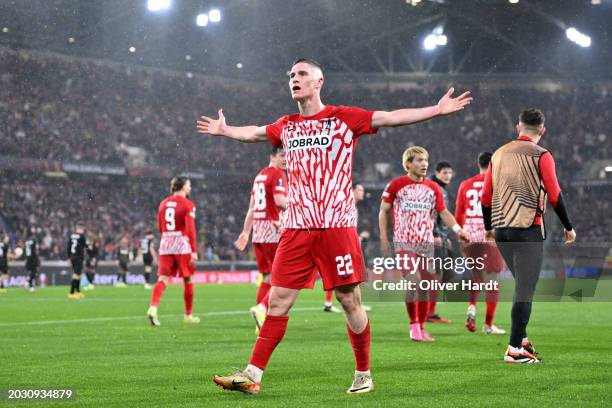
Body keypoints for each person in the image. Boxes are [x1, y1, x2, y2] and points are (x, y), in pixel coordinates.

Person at [197, 58, 472, 395]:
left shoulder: (343, 118)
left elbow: (389, 117)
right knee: (278, 300)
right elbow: (254, 132)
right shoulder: (287, 125)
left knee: (349, 301)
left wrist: (436, 110)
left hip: (335, 227)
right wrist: (225, 130)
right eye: (291, 76)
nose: (294, 80)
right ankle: (253, 374)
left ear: (319, 81)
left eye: (301, 74)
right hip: (296, 229)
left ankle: (363, 373)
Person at [481, 109, 575, 364]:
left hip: (501, 230)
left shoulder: (498, 154)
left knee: (523, 285)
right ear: (542, 130)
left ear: (517, 127)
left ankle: (521, 339)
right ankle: (514, 350)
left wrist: (489, 226)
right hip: (527, 230)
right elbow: (555, 194)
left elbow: (485, 197)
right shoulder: (541, 155)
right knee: (525, 290)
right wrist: (568, 225)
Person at [379, 147, 469, 342]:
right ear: (408, 164)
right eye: (419, 160)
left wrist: (458, 230)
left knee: (425, 286)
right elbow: (383, 211)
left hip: (426, 244)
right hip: (404, 243)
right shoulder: (396, 185)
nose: (424, 164)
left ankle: (421, 327)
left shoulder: (433, 188)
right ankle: (413, 326)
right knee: (414, 280)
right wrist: (384, 239)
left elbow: (444, 213)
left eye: (426, 160)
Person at [235, 147, 287, 333]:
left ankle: (261, 320)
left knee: (267, 276)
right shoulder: (278, 174)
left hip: (258, 230)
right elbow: (280, 201)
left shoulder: (259, 176)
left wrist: (245, 232)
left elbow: (251, 208)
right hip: (273, 229)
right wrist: (298, 208)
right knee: (283, 275)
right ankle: (262, 308)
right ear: (271, 156)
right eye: (282, 155)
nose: (286, 159)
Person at [455, 152, 505, 335]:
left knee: (476, 275)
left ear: (478, 164)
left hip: (468, 233)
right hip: (488, 233)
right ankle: (488, 325)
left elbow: (459, 212)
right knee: (493, 279)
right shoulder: (498, 183)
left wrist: (461, 233)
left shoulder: (465, 184)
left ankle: (471, 306)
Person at [147, 177, 200, 326]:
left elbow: (159, 227)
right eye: (189, 185)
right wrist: (193, 250)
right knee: (188, 279)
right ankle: (188, 316)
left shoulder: (163, 203)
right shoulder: (188, 204)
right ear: (183, 187)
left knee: (163, 279)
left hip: (165, 241)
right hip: (181, 242)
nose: (190, 188)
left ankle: (153, 308)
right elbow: (190, 228)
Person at [428, 162, 455, 323]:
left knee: (443, 274)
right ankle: (428, 312)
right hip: (435, 238)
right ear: (437, 173)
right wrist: (435, 235)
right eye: (445, 172)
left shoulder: (439, 188)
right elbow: (431, 215)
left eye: (450, 172)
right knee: (436, 275)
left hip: (441, 236)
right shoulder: (435, 188)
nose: (448, 176)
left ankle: (428, 310)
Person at [67, 222, 87, 299]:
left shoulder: (72, 236)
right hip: (78, 257)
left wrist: (68, 258)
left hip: (72, 256)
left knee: (78, 275)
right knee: (76, 275)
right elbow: (86, 246)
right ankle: (71, 293)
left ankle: (78, 291)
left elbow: (68, 247)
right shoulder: (81, 236)